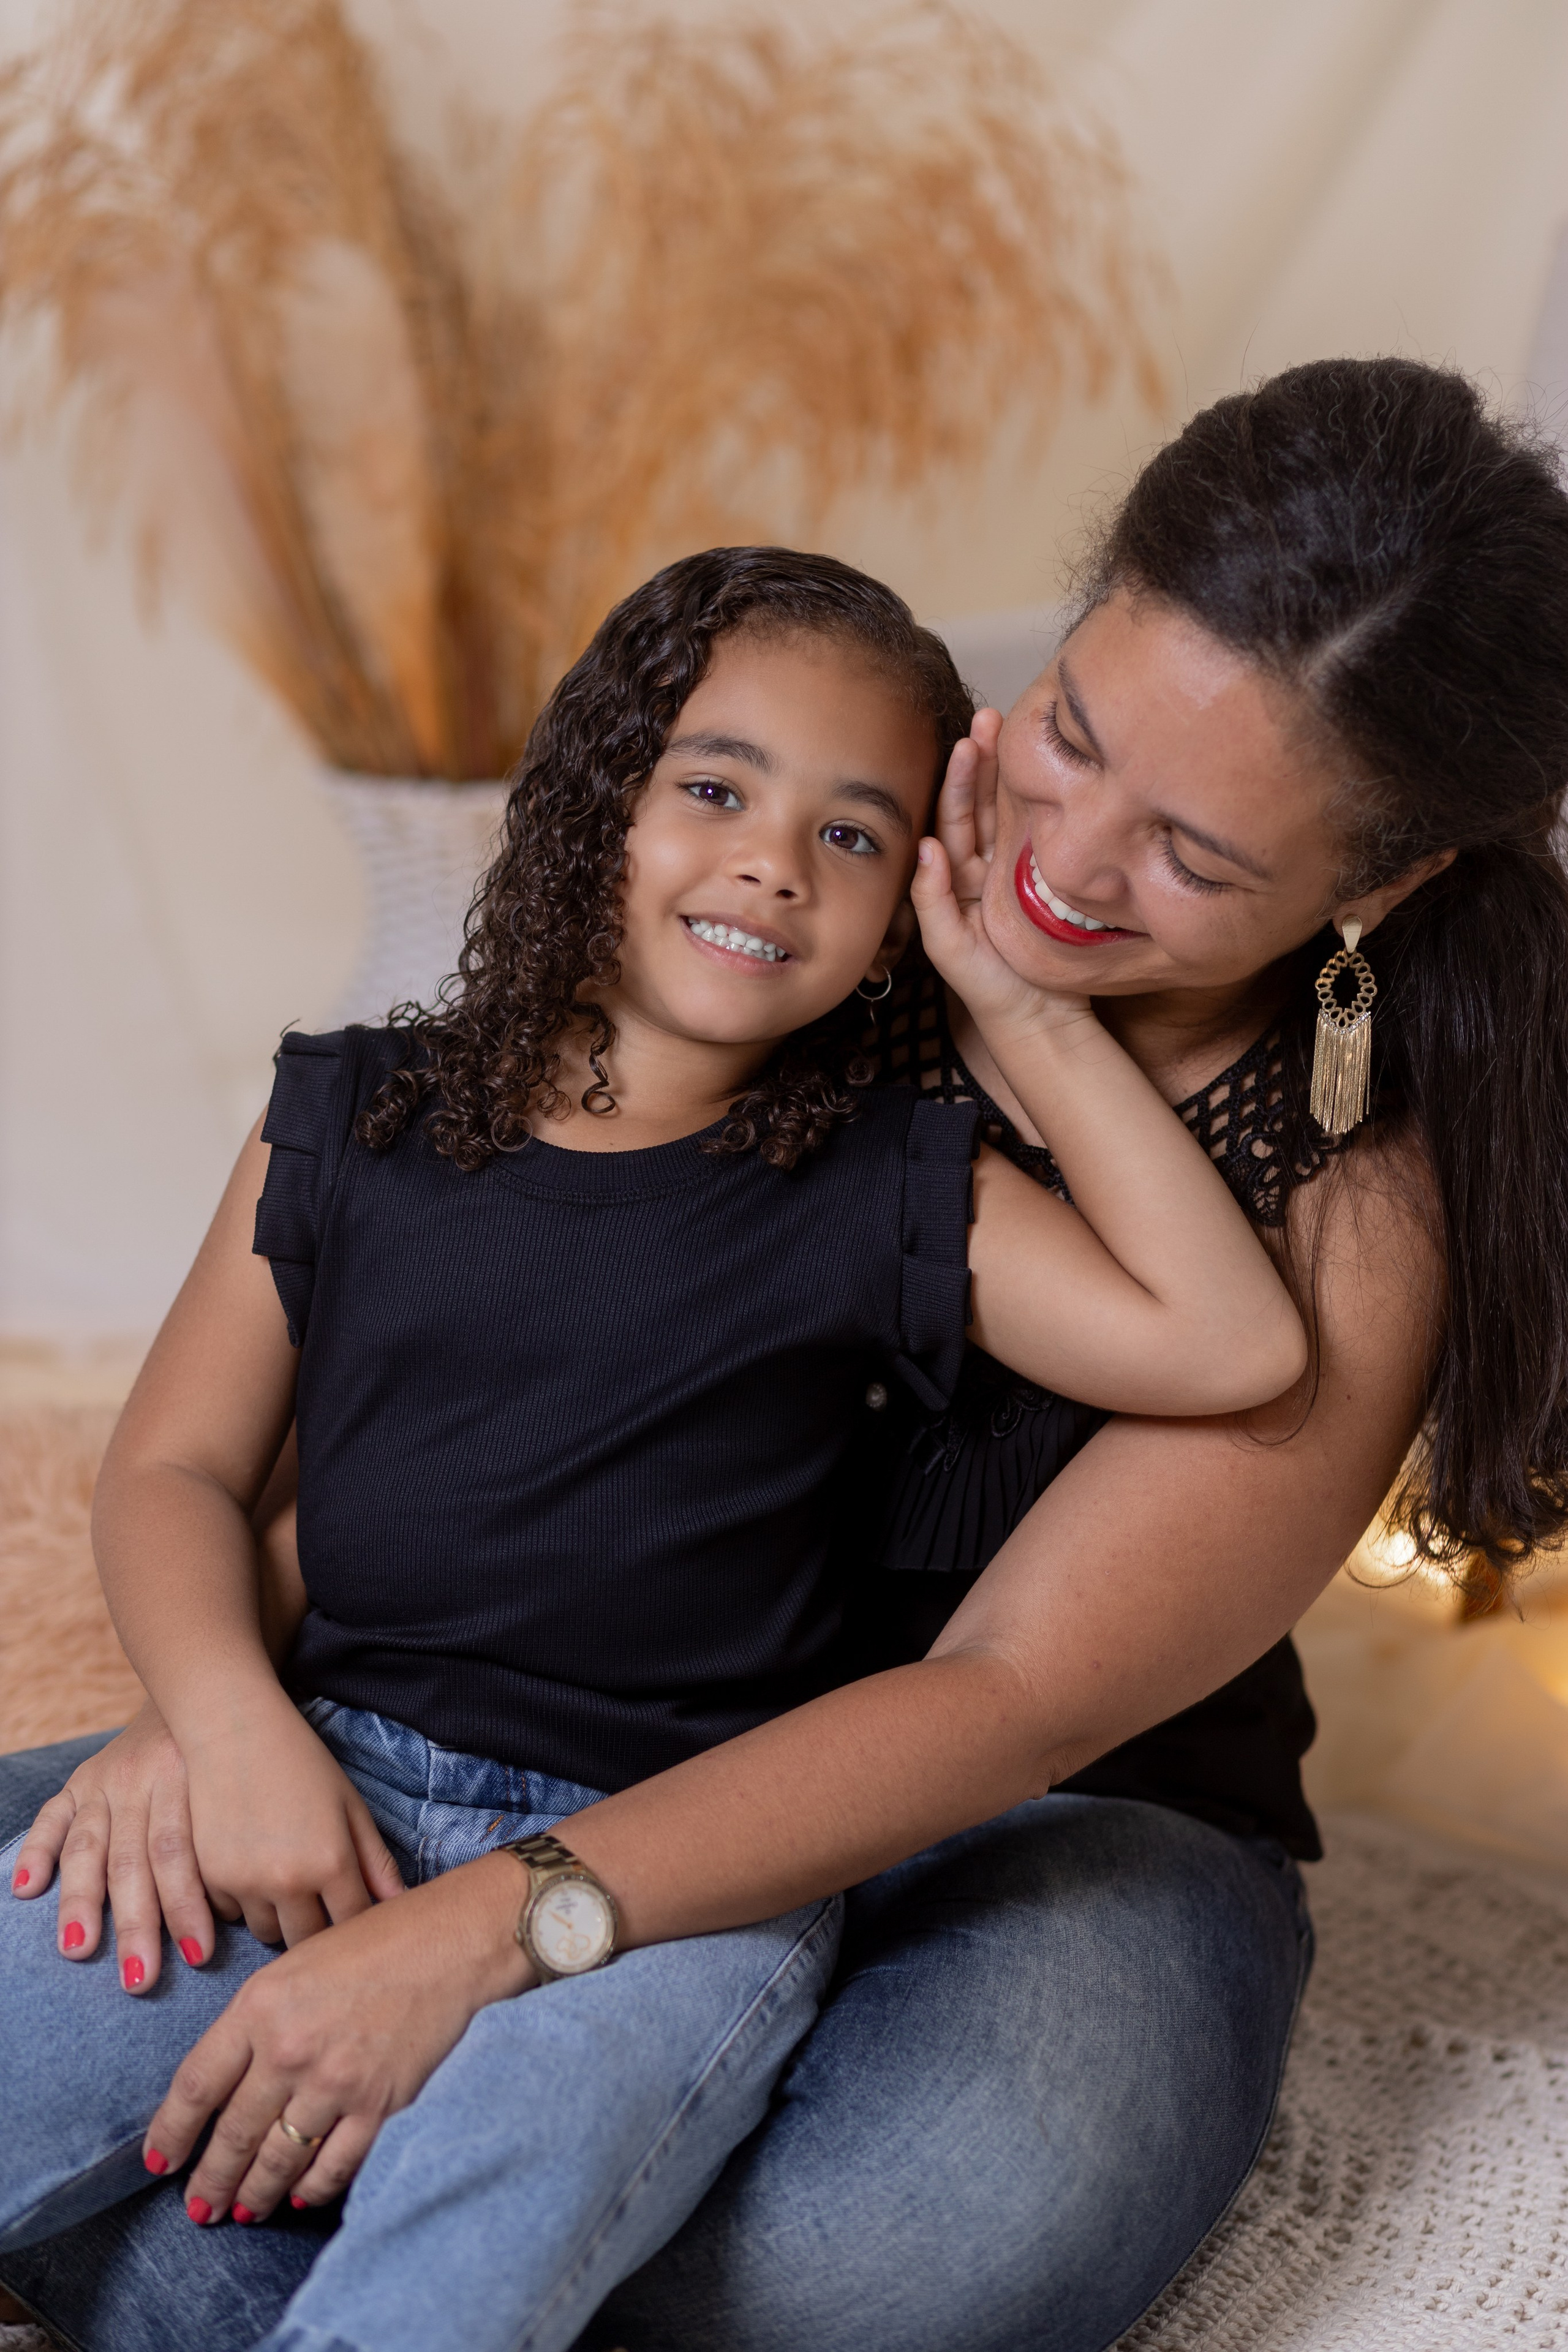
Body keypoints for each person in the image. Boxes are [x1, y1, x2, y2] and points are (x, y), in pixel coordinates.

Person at [4, 353, 1568, 2352]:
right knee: (74, 1896)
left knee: (884, 2246)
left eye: (1194, 857)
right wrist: (225, 1700)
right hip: (556, 1699)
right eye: (1073, 730)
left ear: (1380, 883)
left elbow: (1008, 1696)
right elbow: (458, 1364)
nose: (1067, 861)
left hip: (1038, 1818)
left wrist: (497, 1928)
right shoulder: (822, 863)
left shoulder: (1361, 1189)